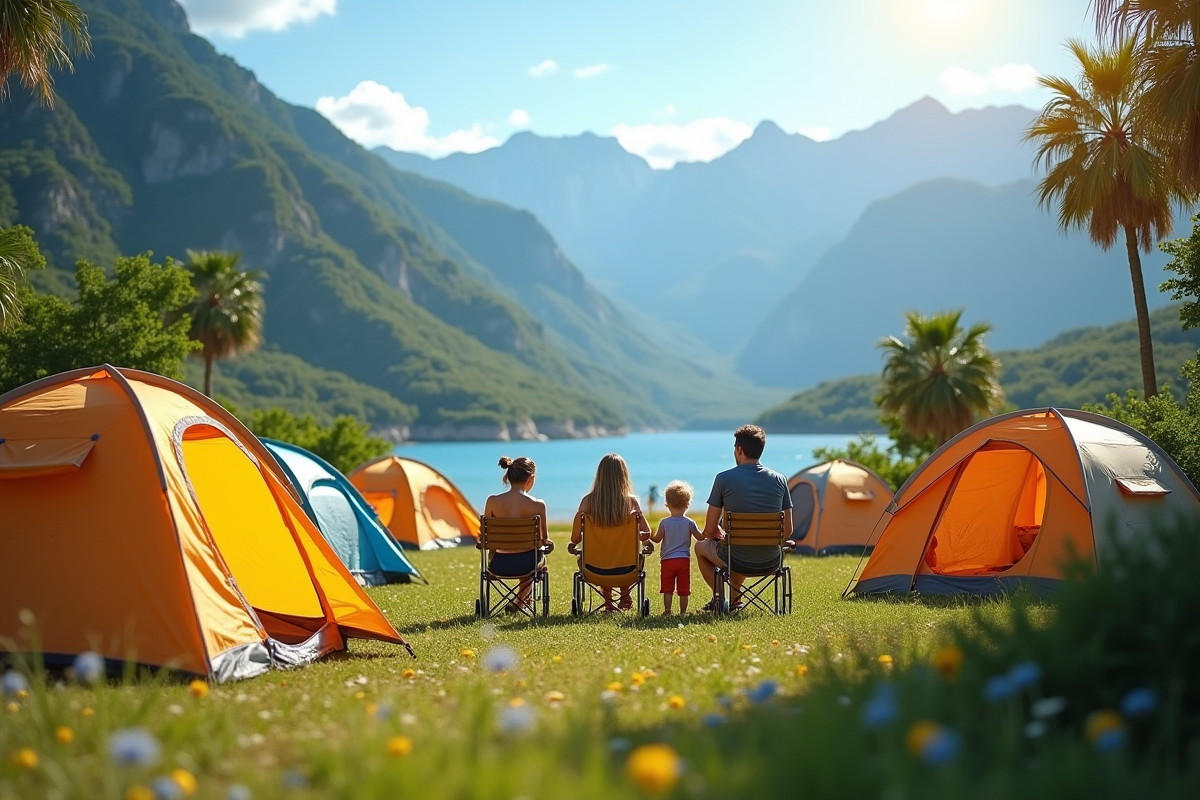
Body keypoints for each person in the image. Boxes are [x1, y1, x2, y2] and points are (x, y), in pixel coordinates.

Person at [695, 425, 793, 612]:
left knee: (701, 547)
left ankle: (720, 599)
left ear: (739, 450)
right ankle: (734, 600)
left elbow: (709, 530)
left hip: (736, 559)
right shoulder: (780, 480)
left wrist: (720, 535)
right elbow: (787, 531)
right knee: (739, 548)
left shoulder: (723, 479)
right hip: (770, 560)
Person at [569, 453, 651, 611]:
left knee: (596, 555)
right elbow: (646, 534)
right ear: (624, 476)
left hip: (593, 569)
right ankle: (625, 592)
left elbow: (575, 538)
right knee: (628, 554)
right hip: (627, 569)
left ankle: (608, 600)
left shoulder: (587, 502)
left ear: (599, 475)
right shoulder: (631, 502)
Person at [483, 456, 549, 611]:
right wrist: (547, 543)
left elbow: (485, 537)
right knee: (537, 558)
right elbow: (542, 540)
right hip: (528, 565)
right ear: (531, 479)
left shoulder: (492, 501)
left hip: (498, 564)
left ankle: (520, 602)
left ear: (509, 476)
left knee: (530, 556)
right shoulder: (538, 505)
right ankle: (521, 601)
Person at [649, 480, 703, 615]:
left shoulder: (664, 523)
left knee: (668, 588)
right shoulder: (689, 522)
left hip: (667, 560)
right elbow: (700, 537)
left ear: (667, 505)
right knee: (684, 588)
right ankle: (683, 612)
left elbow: (657, 540)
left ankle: (667, 610)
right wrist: (710, 533)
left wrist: (650, 534)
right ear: (687, 504)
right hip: (683, 560)